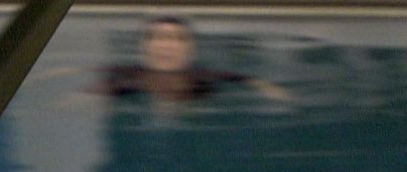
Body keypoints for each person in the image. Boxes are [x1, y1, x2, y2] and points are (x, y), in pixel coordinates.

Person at [96, 16, 289, 103]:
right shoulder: (127, 79)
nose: (166, 45)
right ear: (145, 45)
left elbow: (247, 80)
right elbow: (89, 97)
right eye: (159, 37)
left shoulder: (202, 78)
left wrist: (269, 89)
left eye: (175, 39)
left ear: (189, 48)